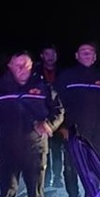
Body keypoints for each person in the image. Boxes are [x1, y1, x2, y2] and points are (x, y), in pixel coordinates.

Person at [0, 49, 65, 197]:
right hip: (8, 149)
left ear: (32, 66)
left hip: (35, 149)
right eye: (18, 65)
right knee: (6, 195)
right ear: (10, 66)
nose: (23, 69)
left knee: (35, 195)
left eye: (27, 66)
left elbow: (58, 110)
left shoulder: (43, 86)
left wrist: (49, 124)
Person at [57, 41, 100, 197]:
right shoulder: (66, 76)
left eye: (90, 52)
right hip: (72, 130)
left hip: (96, 131)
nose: (87, 54)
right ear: (76, 56)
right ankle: (73, 194)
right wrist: (61, 126)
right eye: (83, 51)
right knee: (70, 168)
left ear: (94, 57)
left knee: (94, 168)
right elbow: (56, 103)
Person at [38, 44, 65, 188]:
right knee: (43, 150)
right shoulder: (35, 72)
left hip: (58, 115)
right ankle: (45, 177)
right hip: (41, 115)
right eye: (47, 54)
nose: (50, 57)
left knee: (57, 149)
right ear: (42, 56)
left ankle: (57, 177)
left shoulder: (63, 73)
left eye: (52, 54)